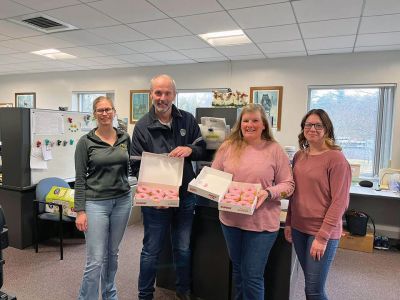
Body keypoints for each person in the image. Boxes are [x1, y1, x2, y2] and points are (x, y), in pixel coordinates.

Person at [131, 74, 206, 300]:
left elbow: (203, 149)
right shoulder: (143, 126)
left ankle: (183, 290)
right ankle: (145, 294)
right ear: (151, 94)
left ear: (174, 95)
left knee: (182, 248)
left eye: (167, 93)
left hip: (185, 197)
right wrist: (156, 197)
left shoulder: (188, 120)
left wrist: (191, 150)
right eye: (158, 93)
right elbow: (135, 166)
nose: (162, 98)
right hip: (156, 202)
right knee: (151, 250)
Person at [211, 104, 295, 300]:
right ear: (240, 124)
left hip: (261, 223)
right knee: (239, 271)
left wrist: (268, 192)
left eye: (255, 120)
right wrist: (210, 187)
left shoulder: (274, 150)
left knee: (252, 276)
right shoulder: (227, 147)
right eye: (246, 121)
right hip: (231, 221)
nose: (250, 124)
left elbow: (288, 184)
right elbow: (214, 176)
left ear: (264, 124)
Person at [284, 109, 351, 300]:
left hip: (321, 232)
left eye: (318, 125)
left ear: (327, 129)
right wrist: (289, 221)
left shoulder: (336, 159)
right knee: (310, 282)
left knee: (313, 290)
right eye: (308, 125)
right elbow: (295, 192)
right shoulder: (299, 156)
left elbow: (340, 202)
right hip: (298, 228)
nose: (312, 128)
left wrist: (322, 237)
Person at [75, 96, 132, 300]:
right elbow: (80, 179)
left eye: (108, 109)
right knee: (96, 259)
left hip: (123, 201)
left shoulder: (125, 138)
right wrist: (80, 211)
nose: (105, 113)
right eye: (100, 110)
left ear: (114, 111)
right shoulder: (85, 142)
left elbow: (130, 168)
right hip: (95, 204)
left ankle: (109, 294)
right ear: (95, 114)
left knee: (112, 254)